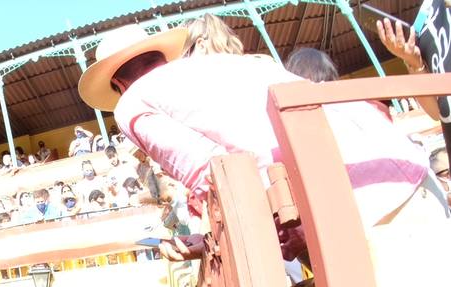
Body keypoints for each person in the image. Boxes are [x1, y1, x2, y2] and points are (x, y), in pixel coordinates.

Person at [76, 21, 439, 233]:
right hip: (405, 167)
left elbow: (216, 175)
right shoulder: (233, 63)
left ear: (118, 85)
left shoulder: (132, 104)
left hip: (358, 205)